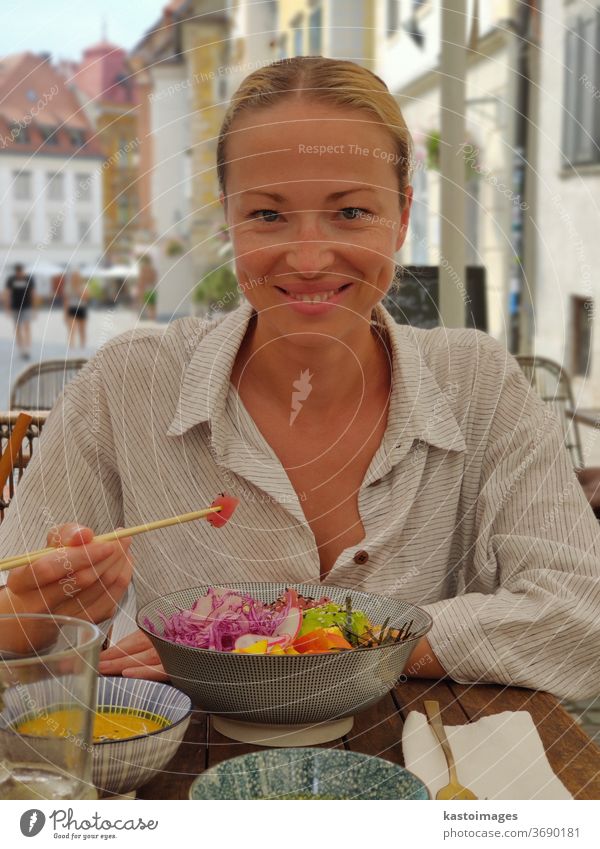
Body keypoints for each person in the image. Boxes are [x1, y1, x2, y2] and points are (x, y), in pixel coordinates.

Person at [0, 57, 599, 699]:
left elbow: (580, 617)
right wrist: (33, 615)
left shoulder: (480, 383)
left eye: (350, 213)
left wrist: (288, 643)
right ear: (228, 216)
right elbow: (13, 621)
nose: (310, 259)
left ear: (401, 217)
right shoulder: (127, 385)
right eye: (267, 216)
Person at [4, 263, 35, 358]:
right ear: (16, 272)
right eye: (18, 273)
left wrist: (34, 308)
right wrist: (7, 308)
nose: (19, 274)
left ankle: (27, 349)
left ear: (23, 271)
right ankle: (21, 348)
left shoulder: (29, 279)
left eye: (20, 272)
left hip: (27, 306)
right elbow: (8, 293)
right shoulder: (11, 279)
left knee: (27, 327)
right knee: (17, 328)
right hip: (15, 307)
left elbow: (32, 293)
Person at [63, 267, 89, 348]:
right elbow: (66, 300)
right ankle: (72, 345)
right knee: (71, 329)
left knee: (82, 329)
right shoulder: (68, 287)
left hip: (81, 308)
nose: (75, 278)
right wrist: (65, 313)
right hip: (72, 308)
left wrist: (78, 290)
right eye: (74, 277)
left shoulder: (83, 286)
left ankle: (82, 344)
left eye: (76, 277)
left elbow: (86, 297)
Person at [137, 255, 158, 321]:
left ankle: (148, 316)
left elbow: (142, 280)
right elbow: (153, 279)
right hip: (149, 287)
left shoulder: (145, 269)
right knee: (149, 303)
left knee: (148, 303)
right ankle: (149, 316)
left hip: (147, 288)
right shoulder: (151, 269)